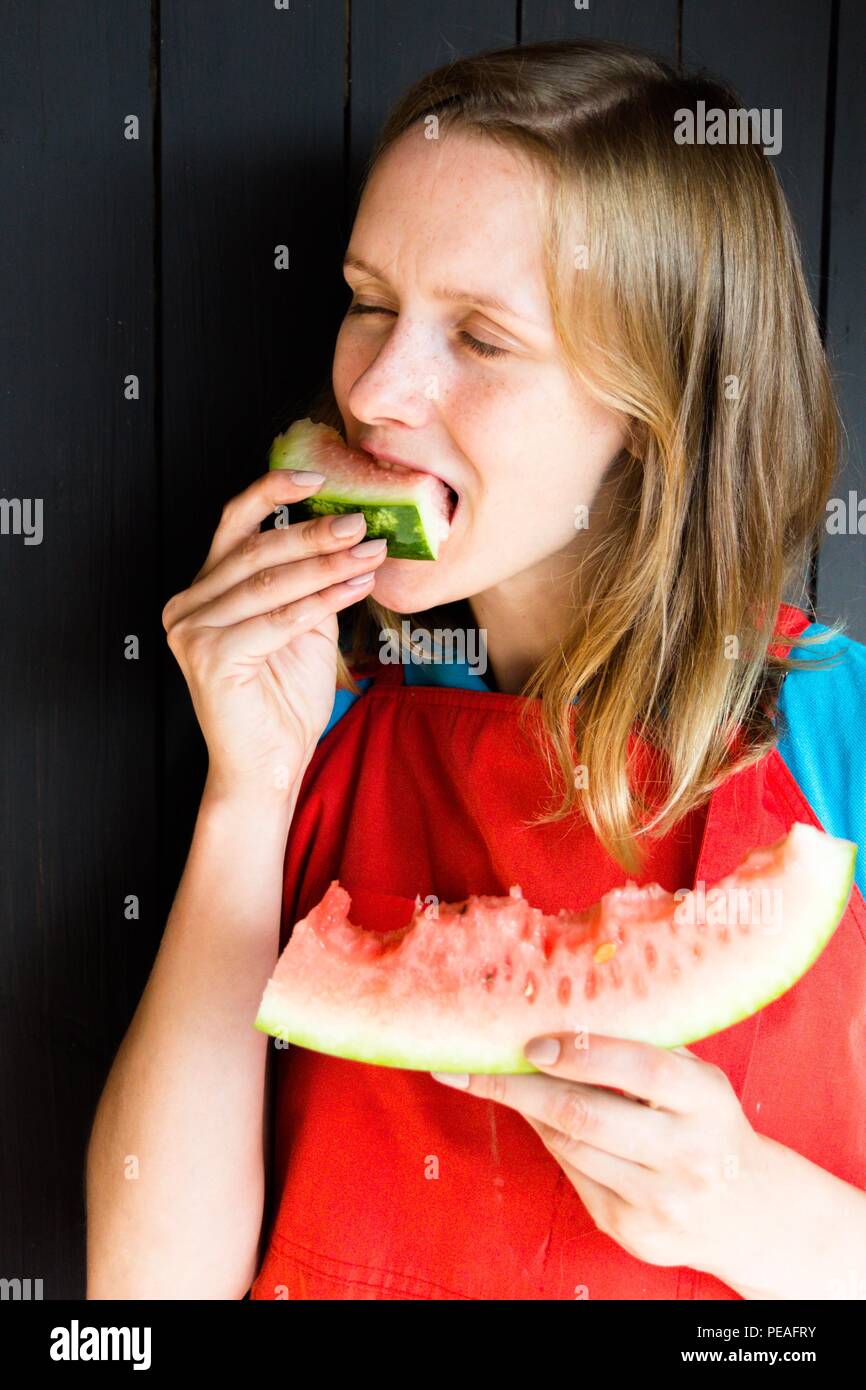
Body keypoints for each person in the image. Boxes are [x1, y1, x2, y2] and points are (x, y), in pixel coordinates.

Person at [86, 38, 866, 1301]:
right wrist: (246, 789)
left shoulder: (840, 728)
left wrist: (749, 1213)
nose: (376, 391)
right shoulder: (323, 716)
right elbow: (142, 1301)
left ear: (655, 410)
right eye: (368, 300)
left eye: (482, 339)